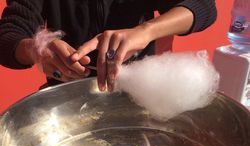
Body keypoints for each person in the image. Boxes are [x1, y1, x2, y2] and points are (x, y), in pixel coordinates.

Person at [0, 0, 217, 91]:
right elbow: (8, 34)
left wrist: (146, 31)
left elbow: (203, 6)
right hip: (66, 94)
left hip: (139, 91)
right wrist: (36, 49)